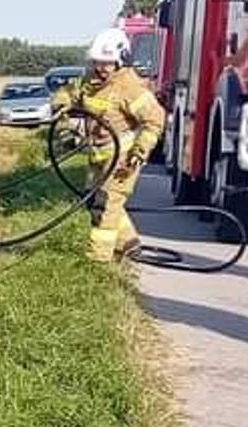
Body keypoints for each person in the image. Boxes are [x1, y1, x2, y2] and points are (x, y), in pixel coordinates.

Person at [52, 27, 164, 262]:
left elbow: (154, 120)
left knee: (106, 205)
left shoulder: (129, 88)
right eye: (97, 62)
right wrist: (61, 104)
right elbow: (69, 94)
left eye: (107, 63)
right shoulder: (89, 81)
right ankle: (129, 243)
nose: (101, 68)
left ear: (121, 60)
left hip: (123, 159)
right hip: (99, 154)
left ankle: (98, 258)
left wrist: (140, 150)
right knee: (94, 201)